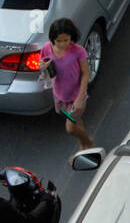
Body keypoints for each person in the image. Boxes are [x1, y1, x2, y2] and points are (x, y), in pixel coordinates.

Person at [39, 18, 95, 154]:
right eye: (59, 41)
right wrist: (42, 66)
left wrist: (80, 98)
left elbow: (86, 74)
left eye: (66, 40)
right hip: (60, 96)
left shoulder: (78, 51)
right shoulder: (47, 48)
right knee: (76, 122)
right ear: (53, 39)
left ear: (71, 37)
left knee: (70, 127)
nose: (63, 44)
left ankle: (88, 142)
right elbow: (42, 63)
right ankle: (83, 144)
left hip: (77, 97)